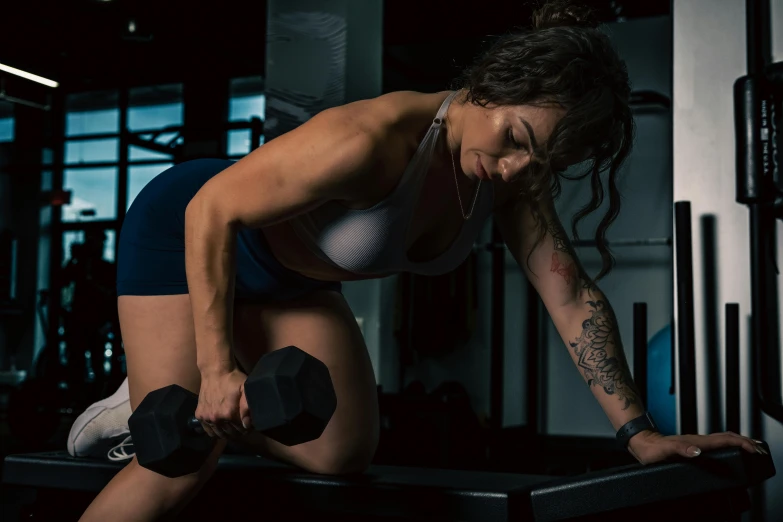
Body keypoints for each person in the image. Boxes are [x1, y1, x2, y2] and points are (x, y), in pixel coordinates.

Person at [74, 1, 766, 520]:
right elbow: (211, 212)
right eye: (515, 136)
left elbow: (570, 296)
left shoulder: (508, 181)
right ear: (491, 86)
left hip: (292, 276)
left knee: (339, 452)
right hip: (188, 229)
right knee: (181, 461)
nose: (516, 165)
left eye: (539, 158)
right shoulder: (371, 139)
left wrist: (639, 435)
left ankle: (180, 402)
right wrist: (219, 369)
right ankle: (144, 406)